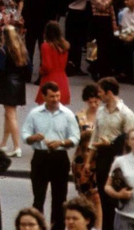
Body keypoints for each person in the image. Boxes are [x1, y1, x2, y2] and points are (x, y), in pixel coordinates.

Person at [23, 81, 82, 229]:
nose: (55, 99)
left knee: (60, 199)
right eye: (51, 96)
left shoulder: (68, 115)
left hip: (59, 158)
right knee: (38, 198)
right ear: (44, 96)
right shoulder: (34, 114)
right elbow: (25, 134)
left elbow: (75, 138)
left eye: (57, 96)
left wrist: (61, 143)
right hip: (40, 157)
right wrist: (33, 138)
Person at [93, 77, 134, 230]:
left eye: (100, 92)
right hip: (102, 158)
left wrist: (112, 144)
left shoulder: (126, 114)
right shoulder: (100, 111)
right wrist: (89, 161)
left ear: (109, 92)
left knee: (116, 201)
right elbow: (95, 135)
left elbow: (133, 141)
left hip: (119, 162)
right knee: (104, 198)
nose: (98, 95)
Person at [75, 84, 106, 230]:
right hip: (81, 159)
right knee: (84, 195)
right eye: (90, 101)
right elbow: (73, 137)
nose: (93, 104)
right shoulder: (79, 116)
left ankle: (98, 227)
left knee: (97, 196)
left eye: (96, 101)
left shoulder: (104, 116)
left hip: (97, 159)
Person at [0, 24, 30, 158]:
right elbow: (29, 68)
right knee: (8, 114)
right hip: (19, 83)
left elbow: (1, 68)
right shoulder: (22, 49)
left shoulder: (5, 50)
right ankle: (3, 143)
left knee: (11, 115)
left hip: (7, 83)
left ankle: (17, 147)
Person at [89, 0, 119, 81]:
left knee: (106, 46)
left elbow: (110, 8)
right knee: (94, 45)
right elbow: (101, 5)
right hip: (97, 19)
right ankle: (93, 68)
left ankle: (104, 70)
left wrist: (114, 23)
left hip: (106, 19)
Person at [37, 21, 72, 106]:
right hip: (62, 78)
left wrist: (41, 71)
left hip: (49, 78)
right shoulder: (64, 46)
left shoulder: (45, 46)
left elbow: (47, 66)